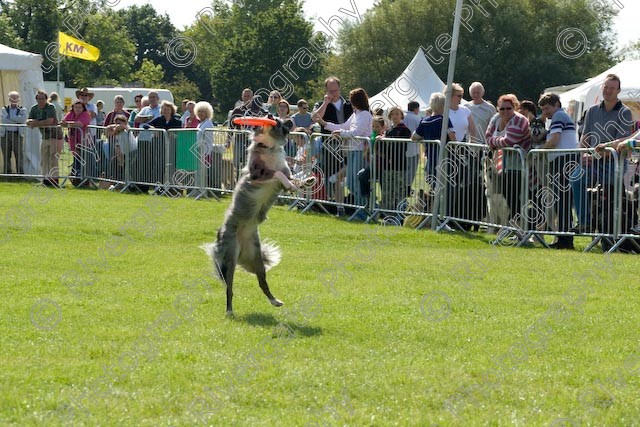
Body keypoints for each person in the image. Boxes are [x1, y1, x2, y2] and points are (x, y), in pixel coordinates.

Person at [571, 73, 633, 240]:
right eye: (606, 87)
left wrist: (601, 152)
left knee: (607, 196)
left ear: (618, 91)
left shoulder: (625, 112)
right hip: (592, 163)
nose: (608, 91)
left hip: (614, 164)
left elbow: (622, 142)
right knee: (576, 178)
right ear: (602, 88)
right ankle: (584, 222)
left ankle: (610, 235)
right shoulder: (591, 111)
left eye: (612, 88)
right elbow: (584, 138)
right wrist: (584, 154)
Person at [314, 87, 372, 210]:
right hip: (352, 151)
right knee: (351, 183)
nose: (350, 102)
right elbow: (343, 126)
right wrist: (324, 123)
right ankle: (363, 208)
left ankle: (365, 209)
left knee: (355, 183)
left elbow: (356, 132)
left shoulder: (365, 114)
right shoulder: (356, 114)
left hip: (361, 151)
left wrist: (340, 133)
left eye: (352, 99)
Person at [538, 93, 578, 249]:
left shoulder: (559, 116)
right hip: (565, 160)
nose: (545, 112)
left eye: (547, 108)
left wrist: (539, 150)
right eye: (542, 109)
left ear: (556, 104)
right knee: (563, 201)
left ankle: (564, 240)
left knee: (562, 201)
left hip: (563, 161)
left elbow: (554, 141)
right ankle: (563, 239)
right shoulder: (560, 116)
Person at [485, 94, 531, 227]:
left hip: (519, 167)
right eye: (502, 109)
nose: (505, 111)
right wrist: (496, 142)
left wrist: (494, 143)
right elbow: (487, 136)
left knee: (516, 198)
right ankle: (516, 228)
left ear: (515, 107)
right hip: (501, 166)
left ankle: (522, 228)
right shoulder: (495, 118)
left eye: (508, 108)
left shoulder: (519, 120)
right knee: (508, 196)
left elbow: (510, 141)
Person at [311, 76, 353, 200]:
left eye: (335, 90)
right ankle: (332, 200)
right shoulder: (321, 104)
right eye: (330, 91)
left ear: (339, 88)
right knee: (330, 173)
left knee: (346, 173)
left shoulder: (349, 104)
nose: (333, 93)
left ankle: (346, 201)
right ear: (326, 90)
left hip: (348, 144)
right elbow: (314, 118)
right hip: (329, 145)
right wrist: (325, 103)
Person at [378, 106, 412, 211]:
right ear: (389, 116)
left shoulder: (405, 130)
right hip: (388, 165)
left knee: (399, 190)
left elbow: (400, 145)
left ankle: (400, 213)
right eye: (392, 114)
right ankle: (387, 212)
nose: (395, 116)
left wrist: (386, 139)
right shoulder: (388, 131)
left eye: (397, 114)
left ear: (401, 115)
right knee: (387, 189)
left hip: (400, 165)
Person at [26, 89, 58, 186]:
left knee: (53, 158)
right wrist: (30, 122)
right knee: (44, 160)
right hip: (44, 137)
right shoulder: (34, 108)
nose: (40, 100)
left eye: (42, 98)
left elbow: (50, 121)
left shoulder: (50, 107)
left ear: (46, 99)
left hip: (55, 136)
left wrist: (35, 123)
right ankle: (45, 180)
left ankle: (55, 180)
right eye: (38, 98)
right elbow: (28, 120)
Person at [195, 101, 225, 189]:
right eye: (199, 111)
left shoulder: (208, 123)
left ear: (207, 112)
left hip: (206, 151)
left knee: (204, 172)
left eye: (203, 111)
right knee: (200, 172)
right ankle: (200, 189)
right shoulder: (200, 123)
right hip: (200, 150)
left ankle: (204, 190)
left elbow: (206, 138)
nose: (201, 113)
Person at [61, 99, 91, 186]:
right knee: (76, 160)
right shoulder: (71, 114)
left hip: (84, 142)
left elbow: (80, 124)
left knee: (82, 161)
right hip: (73, 142)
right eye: (76, 107)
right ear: (73, 108)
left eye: (79, 107)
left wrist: (68, 124)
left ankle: (84, 180)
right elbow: (63, 122)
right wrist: (67, 123)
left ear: (83, 108)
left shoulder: (85, 114)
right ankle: (76, 179)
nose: (77, 109)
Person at [1, 91, 27, 177]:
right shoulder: (4, 109)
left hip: (17, 134)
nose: (14, 100)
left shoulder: (22, 109)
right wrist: (16, 119)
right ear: (9, 99)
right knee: (6, 155)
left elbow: (22, 119)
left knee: (19, 155)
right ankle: (7, 174)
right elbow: (4, 120)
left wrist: (11, 118)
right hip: (5, 134)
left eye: (16, 98)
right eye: (12, 98)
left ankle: (20, 174)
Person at [403, 101, 422, 196]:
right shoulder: (417, 118)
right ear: (416, 109)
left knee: (403, 169)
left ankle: (403, 187)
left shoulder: (402, 117)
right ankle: (407, 187)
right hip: (413, 149)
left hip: (402, 149)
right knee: (412, 169)